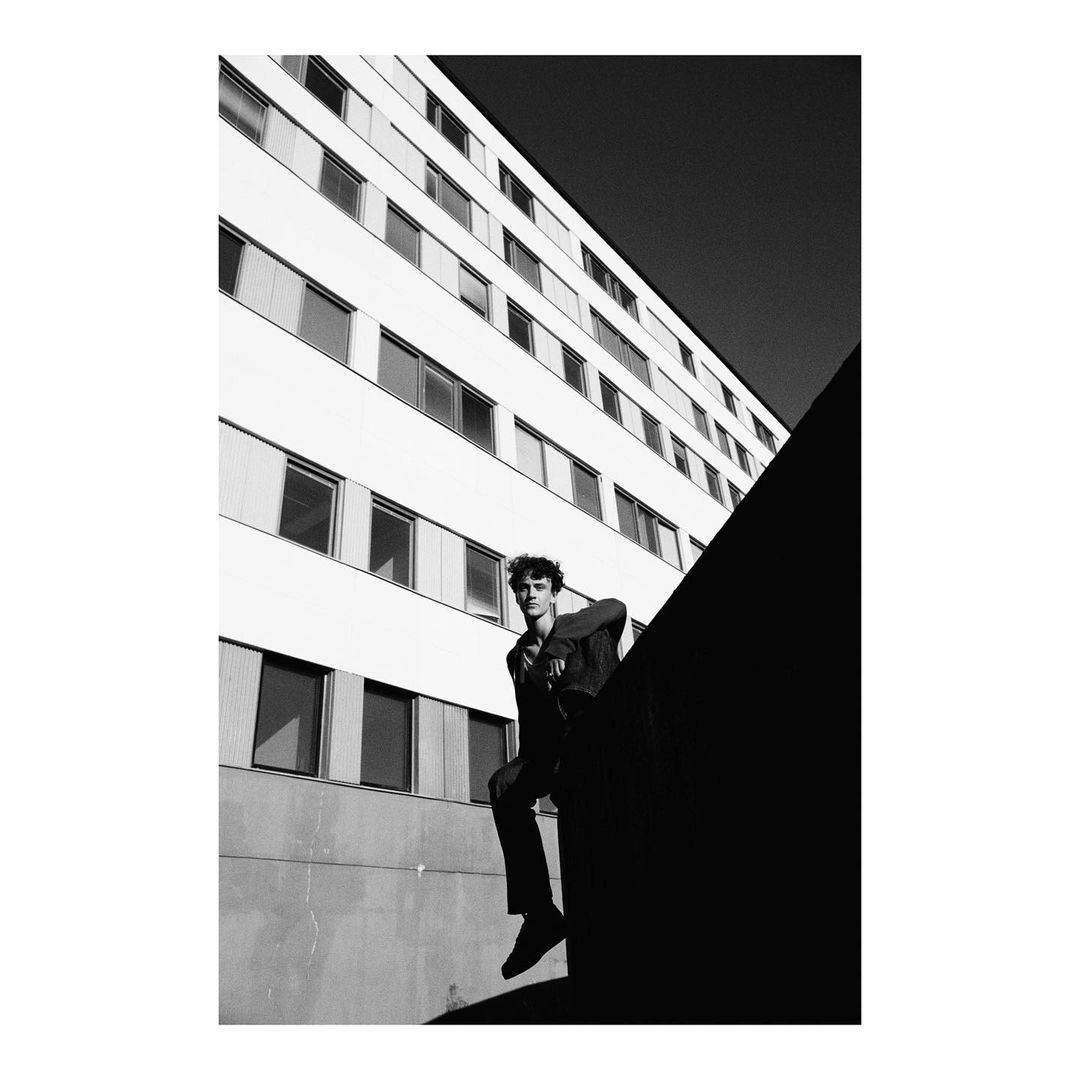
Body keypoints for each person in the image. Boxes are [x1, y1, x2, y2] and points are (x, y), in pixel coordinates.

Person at [489, 553, 626, 979]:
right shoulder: (516, 657)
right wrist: (529, 768)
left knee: (595, 635)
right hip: (552, 750)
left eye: (539, 586)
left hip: (594, 726)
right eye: (523, 588)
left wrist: (559, 647)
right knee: (502, 784)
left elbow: (616, 607)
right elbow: (529, 719)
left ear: (554, 593)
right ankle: (540, 914)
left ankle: (583, 744)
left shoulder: (575, 627)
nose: (530, 594)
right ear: (516, 596)